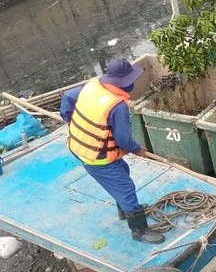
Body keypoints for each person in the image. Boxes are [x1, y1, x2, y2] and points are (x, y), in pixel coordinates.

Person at [60, 57, 165, 244]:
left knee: (123, 171)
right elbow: (123, 139)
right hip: (96, 157)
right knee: (126, 188)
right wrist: (138, 150)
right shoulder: (117, 106)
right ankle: (139, 231)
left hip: (79, 146)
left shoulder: (92, 85)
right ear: (125, 82)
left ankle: (124, 210)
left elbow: (68, 97)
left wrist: (69, 119)